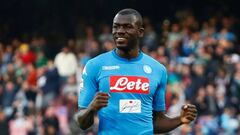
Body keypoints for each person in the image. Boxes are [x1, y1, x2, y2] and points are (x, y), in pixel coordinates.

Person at [75, 8, 197, 135]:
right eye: (116, 27)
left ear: (140, 32)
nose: (120, 31)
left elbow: (156, 121)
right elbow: (81, 122)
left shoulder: (158, 70)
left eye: (127, 27)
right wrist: (91, 108)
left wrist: (180, 120)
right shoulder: (95, 66)